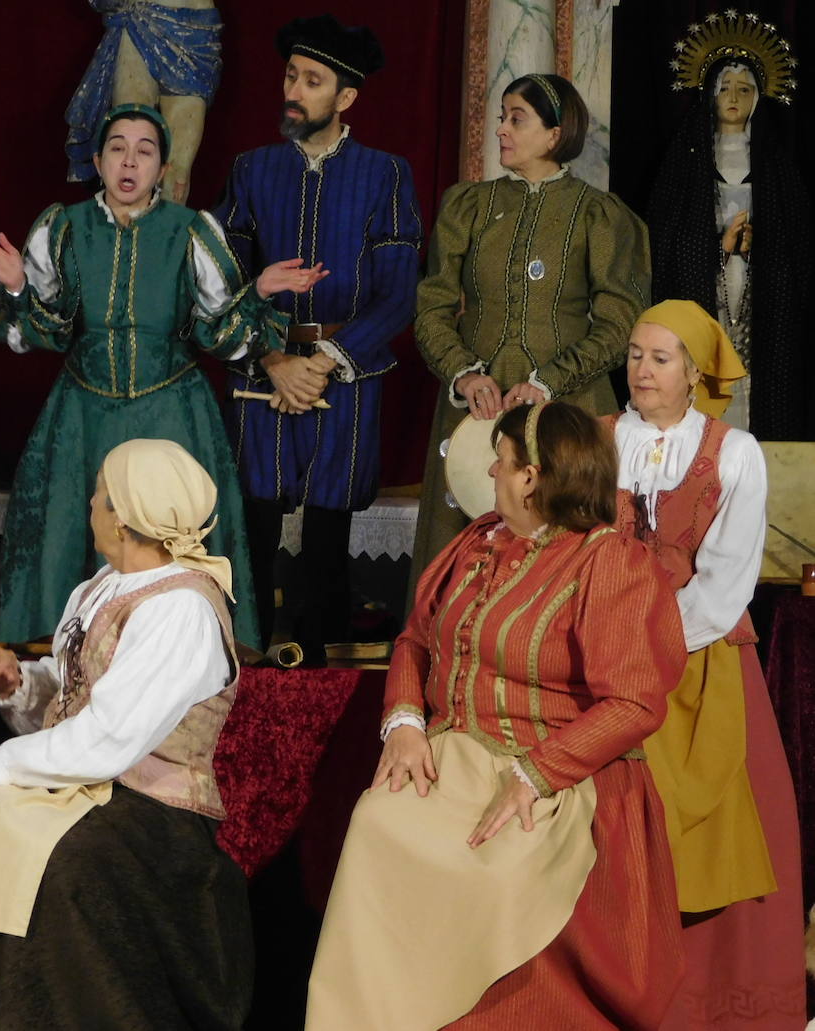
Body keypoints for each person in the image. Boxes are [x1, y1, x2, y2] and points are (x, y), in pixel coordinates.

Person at [309, 401, 688, 1029]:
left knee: (495, 872)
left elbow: (634, 703)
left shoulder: (608, 562)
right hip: (459, 753)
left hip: (560, 771)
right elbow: (415, 641)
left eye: (503, 461)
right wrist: (404, 723)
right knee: (379, 821)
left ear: (533, 477)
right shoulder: (479, 541)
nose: (491, 470)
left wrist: (536, 774)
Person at [0, 102, 325, 650]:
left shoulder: (191, 231)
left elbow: (219, 337)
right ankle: (69, 663)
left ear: (162, 168)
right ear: (98, 160)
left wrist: (259, 292)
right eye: (117, 148)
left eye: (145, 151)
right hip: (81, 419)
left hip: (172, 417)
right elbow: (47, 334)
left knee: (169, 542)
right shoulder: (64, 226)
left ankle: (179, 658)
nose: (129, 162)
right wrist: (19, 285)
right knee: (71, 536)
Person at [0, 438, 252, 1030]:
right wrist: (19, 686)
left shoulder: (181, 608)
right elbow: (74, 695)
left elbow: (109, 738)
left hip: (156, 804)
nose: (92, 506)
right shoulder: (101, 587)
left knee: (62, 866)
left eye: (100, 497)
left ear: (124, 518)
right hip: (93, 782)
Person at [607, 300, 806, 1026]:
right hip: (606, 660)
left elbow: (727, 579)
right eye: (634, 354)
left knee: (718, 820)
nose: (643, 370)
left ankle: (714, 1002)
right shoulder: (600, 442)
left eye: (661, 358)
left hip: (699, 661)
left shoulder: (734, 452)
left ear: (694, 372)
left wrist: (646, 647)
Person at [213, 14, 421, 660]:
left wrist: (326, 359)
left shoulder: (385, 175)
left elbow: (400, 292)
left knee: (329, 532)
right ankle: (239, 669)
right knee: (255, 523)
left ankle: (321, 673)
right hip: (262, 370)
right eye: (290, 76)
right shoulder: (251, 170)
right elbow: (219, 283)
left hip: (347, 373)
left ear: (347, 97)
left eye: (312, 80)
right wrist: (274, 358)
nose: (293, 90)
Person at [411, 73, 648, 595]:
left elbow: (621, 321)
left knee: (565, 559)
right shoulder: (467, 206)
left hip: (570, 409)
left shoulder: (598, 215)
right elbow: (431, 307)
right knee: (462, 564)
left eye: (516, 118)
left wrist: (548, 382)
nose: (500, 129)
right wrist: (465, 376)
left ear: (555, 134)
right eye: (501, 116)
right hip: (476, 411)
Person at [647, 13, 811, 441]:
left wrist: (761, 247)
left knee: (759, 396)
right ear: (709, 96)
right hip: (706, 295)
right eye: (725, 89)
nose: (733, 98)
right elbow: (666, 243)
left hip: (762, 306)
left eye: (744, 89)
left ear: (759, 98)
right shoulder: (685, 161)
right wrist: (717, 247)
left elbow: (798, 249)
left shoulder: (777, 169)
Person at [64, 0, 221, 203]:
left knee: (177, 172)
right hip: (140, 21)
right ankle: (123, 232)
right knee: (129, 152)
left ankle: (167, 233)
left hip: (195, 32)